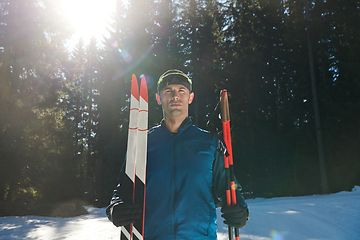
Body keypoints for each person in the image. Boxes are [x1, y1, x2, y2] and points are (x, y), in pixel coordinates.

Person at [106, 69, 249, 239]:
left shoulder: (210, 143)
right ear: (159, 99)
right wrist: (115, 208)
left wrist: (240, 210)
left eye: (181, 90)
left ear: (190, 97)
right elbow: (123, 189)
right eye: (168, 91)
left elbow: (228, 187)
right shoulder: (143, 143)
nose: (175, 96)